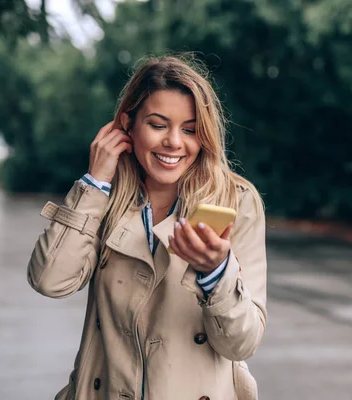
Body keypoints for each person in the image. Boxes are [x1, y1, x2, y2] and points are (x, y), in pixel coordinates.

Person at [27, 55, 267, 400]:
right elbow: (50, 280)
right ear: (128, 124)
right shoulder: (105, 195)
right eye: (158, 124)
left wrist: (216, 273)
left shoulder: (235, 200)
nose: (174, 142)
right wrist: (94, 183)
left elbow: (242, 343)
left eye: (190, 129)